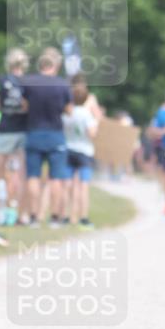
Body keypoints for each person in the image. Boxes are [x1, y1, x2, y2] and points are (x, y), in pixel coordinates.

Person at [21, 47, 72, 227]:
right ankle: (55, 218)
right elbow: (69, 110)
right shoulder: (63, 84)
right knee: (55, 177)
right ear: (56, 65)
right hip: (55, 134)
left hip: (34, 132)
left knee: (33, 176)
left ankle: (33, 217)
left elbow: (24, 106)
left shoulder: (29, 83)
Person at [0, 48, 29, 225]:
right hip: (23, 130)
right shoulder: (28, 82)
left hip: (5, 129)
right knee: (21, 175)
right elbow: (27, 106)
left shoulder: (2, 80)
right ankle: (21, 214)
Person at [62, 79, 98, 227]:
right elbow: (92, 134)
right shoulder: (87, 114)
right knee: (83, 185)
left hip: (69, 149)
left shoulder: (67, 114)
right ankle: (83, 217)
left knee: (67, 184)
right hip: (84, 151)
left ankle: (67, 216)